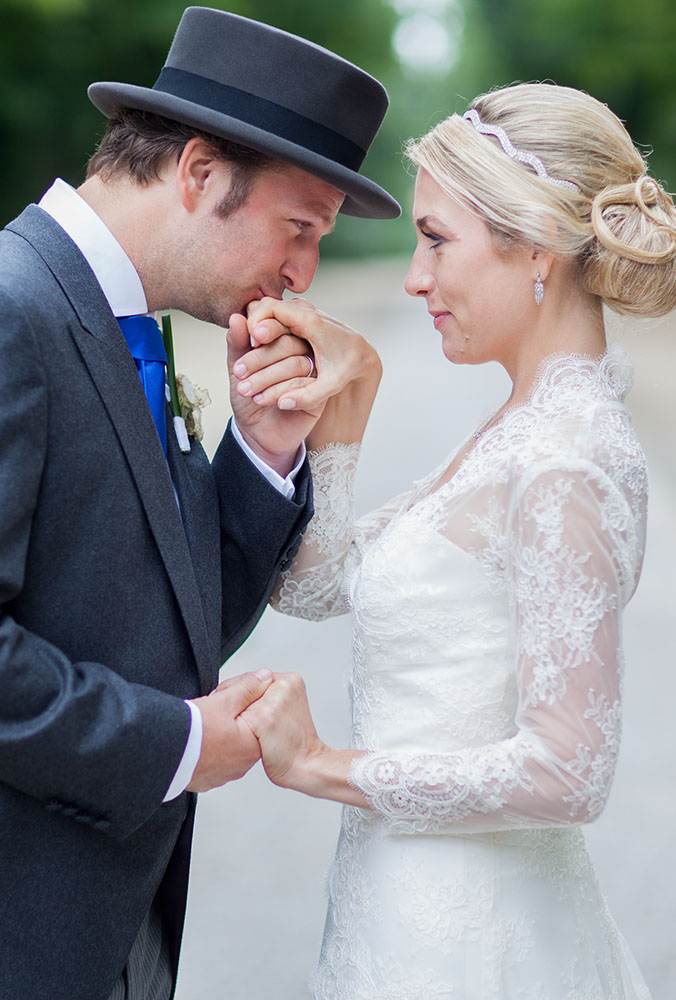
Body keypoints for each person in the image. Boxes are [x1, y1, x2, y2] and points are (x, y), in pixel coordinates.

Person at [237, 82, 676, 998]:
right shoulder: (521, 423)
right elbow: (319, 589)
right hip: (399, 909)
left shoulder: (564, 459)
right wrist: (345, 419)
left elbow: (569, 770)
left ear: (538, 249)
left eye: (437, 239)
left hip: (475, 945)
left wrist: (324, 766)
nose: (413, 276)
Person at [0, 7, 400, 1000]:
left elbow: (175, 627)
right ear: (199, 172)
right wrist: (178, 745)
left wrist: (262, 451)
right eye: (298, 228)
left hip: (109, 932)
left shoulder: (132, 320)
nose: (304, 274)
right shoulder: (12, 311)